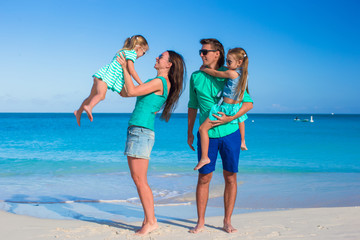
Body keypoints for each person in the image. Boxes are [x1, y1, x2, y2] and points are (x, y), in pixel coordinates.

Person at [187, 39, 253, 234]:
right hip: (207, 134)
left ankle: (227, 221)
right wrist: (189, 132)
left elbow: (247, 102)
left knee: (230, 177)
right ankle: (200, 222)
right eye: (200, 51)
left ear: (217, 53)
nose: (201, 55)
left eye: (204, 51)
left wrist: (230, 118)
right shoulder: (196, 76)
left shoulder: (231, 73)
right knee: (204, 177)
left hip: (230, 132)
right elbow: (192, 105)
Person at [117, 50, 186, 235]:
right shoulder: (152, 81)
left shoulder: (160, 82)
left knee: (140, 180)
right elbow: (126, 93)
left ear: (169, 64)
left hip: (141, 130)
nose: (156, 58)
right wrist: (120, 73)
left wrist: (125, 67)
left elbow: (131, 91)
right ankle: (149, 219)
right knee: (138, 179)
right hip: (137, 129)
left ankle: (151, 221)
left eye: (160, 57)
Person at [194, 47, 249, 171]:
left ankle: (204, 157)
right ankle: (243, 141)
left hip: (225, 108)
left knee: (203, 129)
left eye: (229, 62)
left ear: (239, 62)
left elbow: (216, 73)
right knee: (241, 120)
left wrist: (205, 69)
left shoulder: (231, 73)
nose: (227, 65)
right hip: (236, 107)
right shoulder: (244, 75)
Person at [74, 35, 148, 126]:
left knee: (91, 97)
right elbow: (132, 71)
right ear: (139, 47)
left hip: (100, 75)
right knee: (101, 95)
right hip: (104, 78)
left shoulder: (124, 51)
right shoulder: (131, 54)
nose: (143, 55)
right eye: (144, 52)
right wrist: (141, 84)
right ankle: (89, 107)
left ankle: (78, 112)